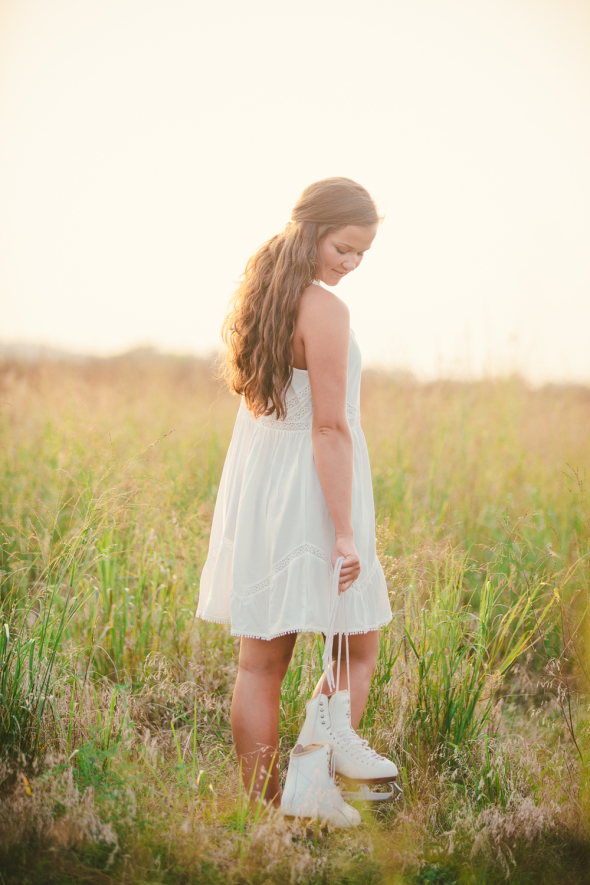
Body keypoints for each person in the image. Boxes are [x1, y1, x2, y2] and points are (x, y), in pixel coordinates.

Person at [196, 177, 394, 814]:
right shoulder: (326, 310)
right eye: (344, 247)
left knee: (261, 664)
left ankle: (266, 808)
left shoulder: (262, 295)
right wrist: (343, 532)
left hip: (263, 490)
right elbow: (330, 427)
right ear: (312, 230)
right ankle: (311, 784)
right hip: (314, 488)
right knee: (359, 645)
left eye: (363, 255)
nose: (352, 264)